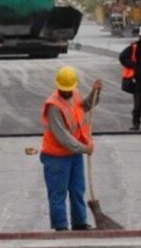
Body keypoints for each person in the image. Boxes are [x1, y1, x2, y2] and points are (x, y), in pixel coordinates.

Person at [40, 66, 102, 232]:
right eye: (64, 90)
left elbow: (85, 106)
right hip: (56, 157)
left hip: (74, 155)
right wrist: (84, 148)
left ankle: (79, 223)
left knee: (77, 190)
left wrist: (95, 92)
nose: (68, 93)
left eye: (69, 89)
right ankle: (61, 228)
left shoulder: (74, 94)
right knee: (58, 194)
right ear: (58, 86)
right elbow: (63, 137)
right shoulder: (53, 106)